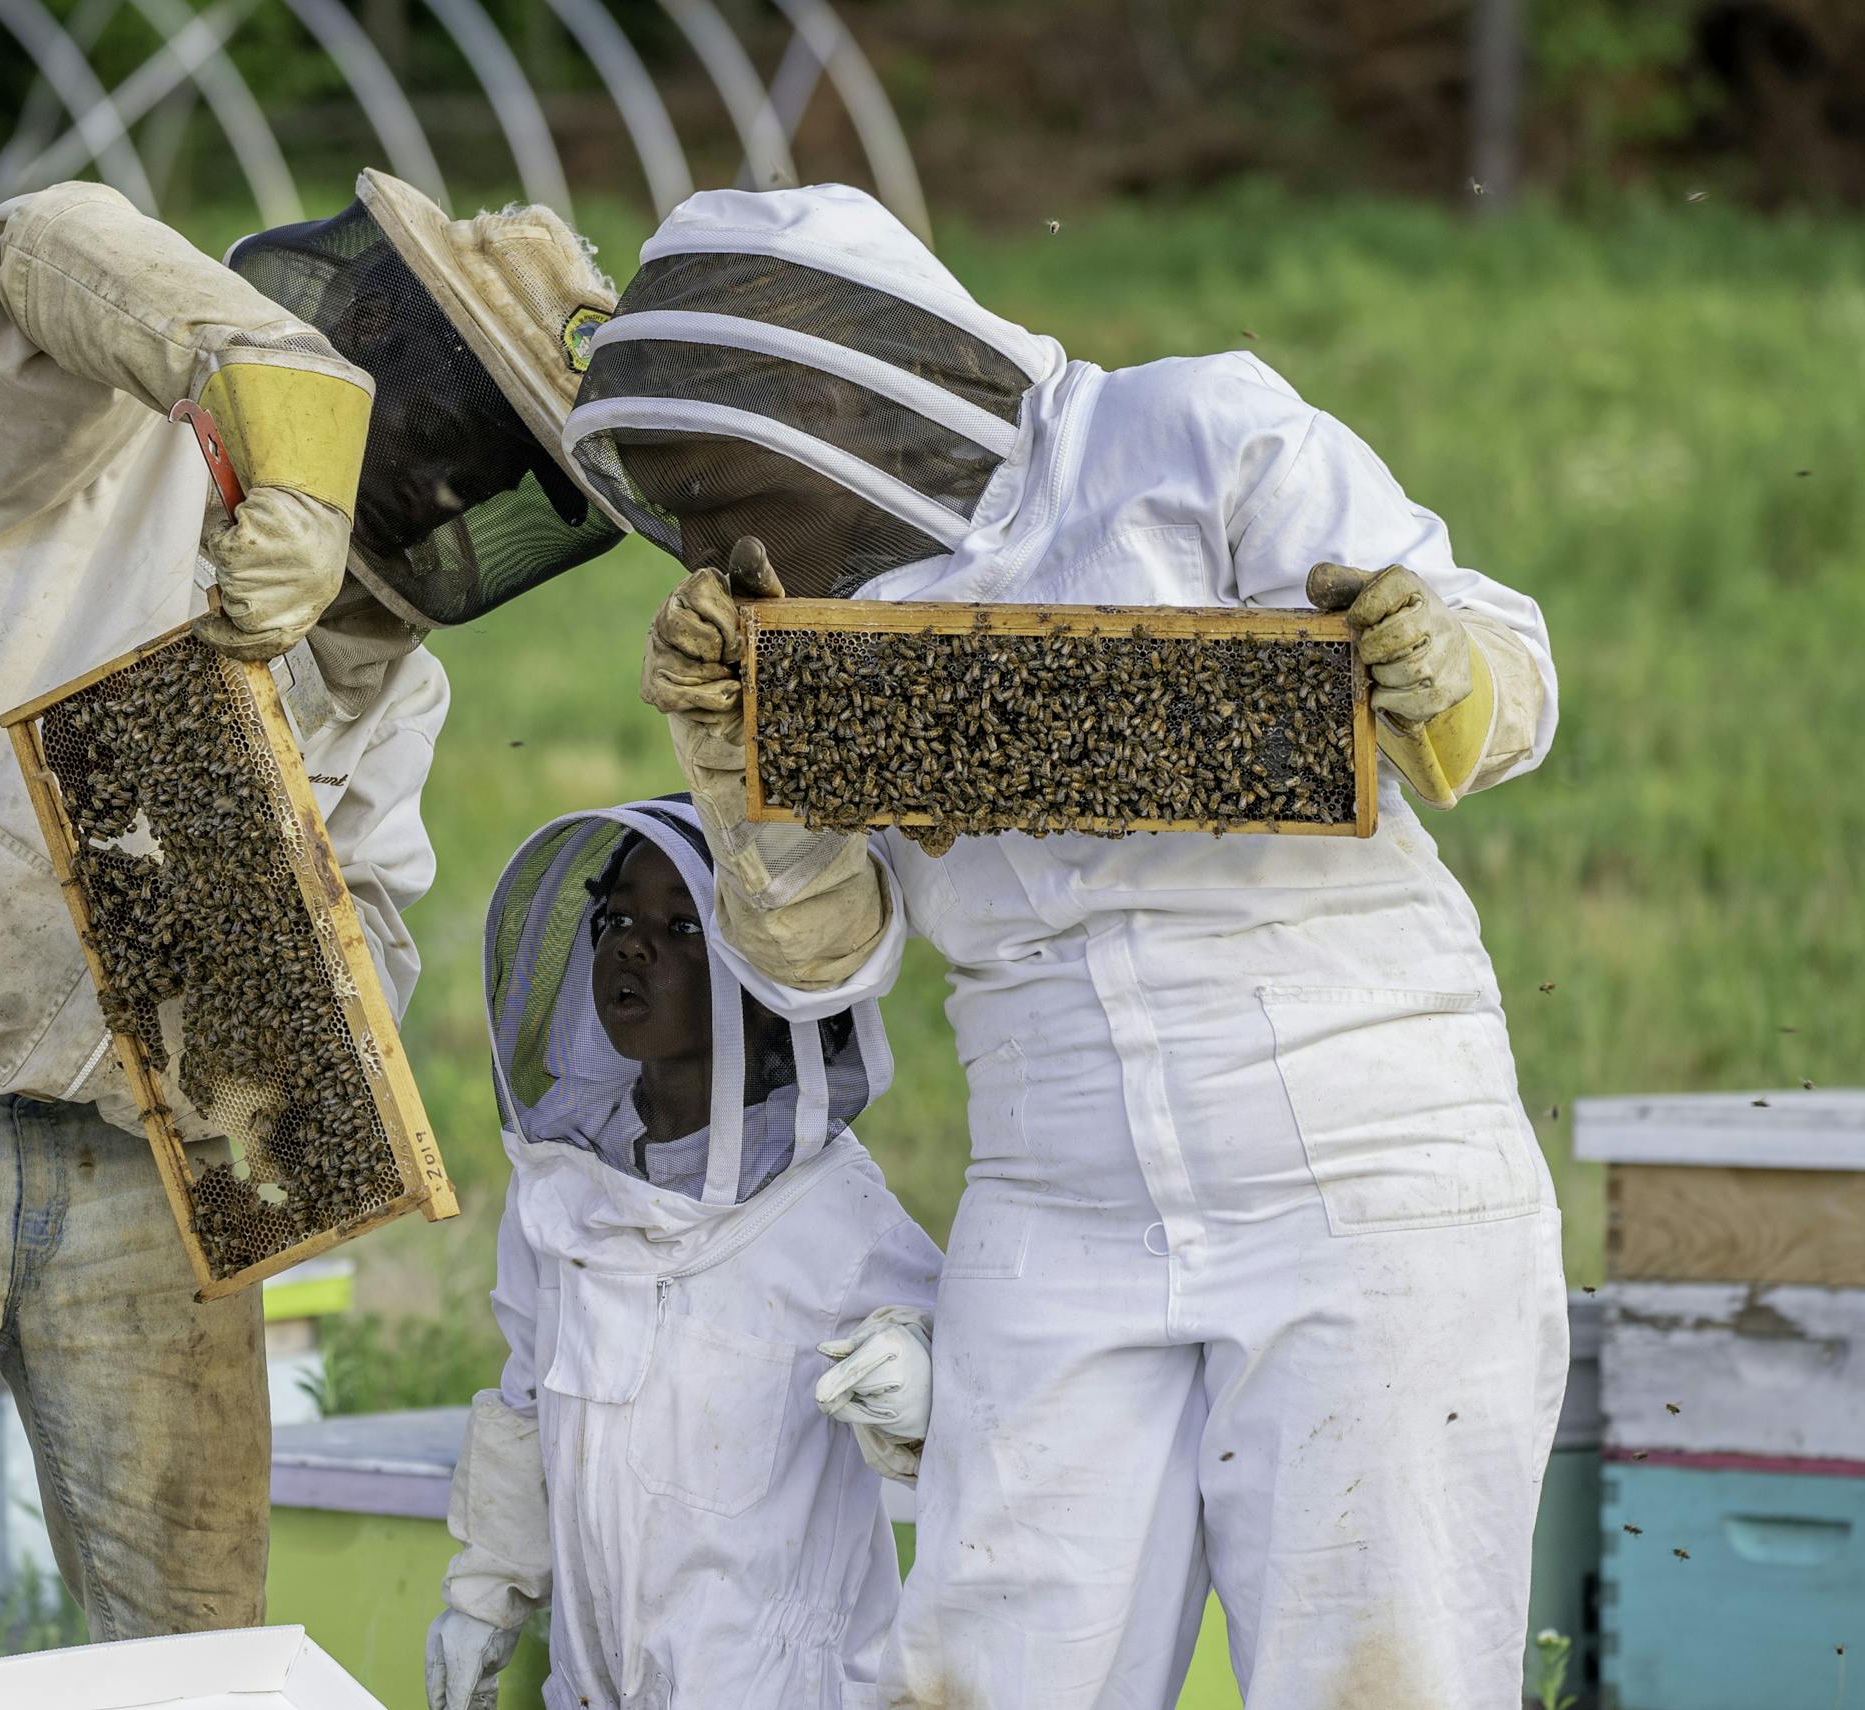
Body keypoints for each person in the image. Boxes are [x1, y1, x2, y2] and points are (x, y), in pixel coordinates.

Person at [566, 185, 1568, 1709]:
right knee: (993, 1669)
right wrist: (741, 775)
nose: (702, 547)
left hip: (1360, 1146)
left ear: (828, 405)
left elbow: (1512, 683)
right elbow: (825, 966)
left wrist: (1436, 664)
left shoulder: (1184, 436)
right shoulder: (816, 633)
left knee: (1385, 1672)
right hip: (1057, 1191)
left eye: (713, 495)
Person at [0, 172, 626, 1707]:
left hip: (152, 1179)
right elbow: (40, 236)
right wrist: (294, 434)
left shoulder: (398, 690)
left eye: (496, 461)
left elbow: (370, 946)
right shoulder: (83, 444)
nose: (457, 476)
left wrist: (296, 1002)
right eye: (460, 421)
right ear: (376, 330)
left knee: (207, 1657)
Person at [425, 798, 942, 1710]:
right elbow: (525, 1399)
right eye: (618, 919)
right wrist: (484, 1596)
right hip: (591, 1687)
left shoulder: (834, 1215)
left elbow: (985, 1405)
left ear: (762, 974)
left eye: (682, 927)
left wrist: (922, 1383)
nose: (633, 946)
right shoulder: (563, 1187)